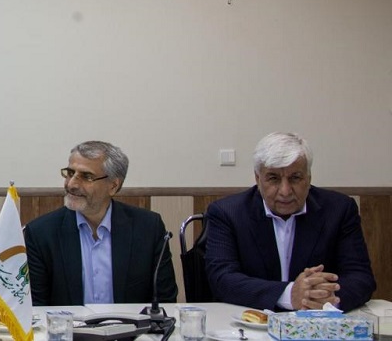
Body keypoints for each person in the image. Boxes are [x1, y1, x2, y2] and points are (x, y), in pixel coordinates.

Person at [205, 132, 376, 311]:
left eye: (295, 178)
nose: (285, 191)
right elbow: (221, 279)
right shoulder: (227, 213)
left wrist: (327, 299)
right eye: (273, 178)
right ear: (257, 178)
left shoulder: (339, 210)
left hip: (319, 320)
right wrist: (289, 294)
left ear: (309, 178)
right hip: (251, 319)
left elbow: (360, 277)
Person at [25, 141, 176, 306]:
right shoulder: (41, 233)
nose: (72, 184)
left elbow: (165, 301)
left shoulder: (148, 228)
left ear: (113, 186)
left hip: (130, 323)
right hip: (69, 323)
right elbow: (36, 307)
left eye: (87, 176)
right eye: (70, 173)